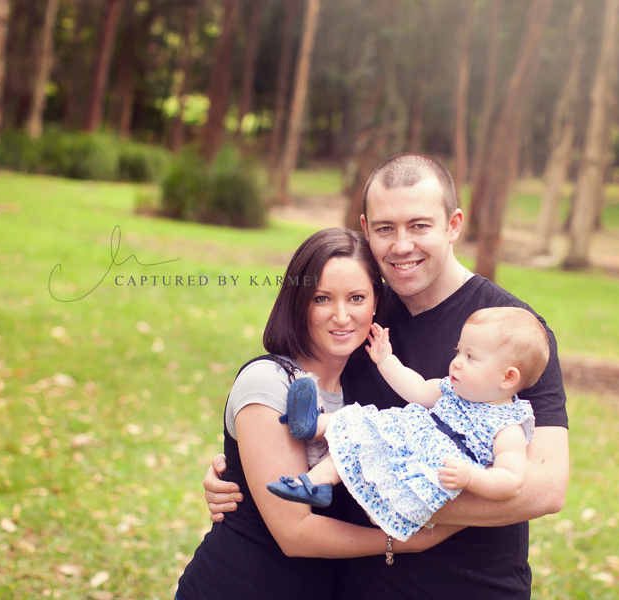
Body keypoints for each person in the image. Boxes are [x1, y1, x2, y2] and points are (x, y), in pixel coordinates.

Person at [204, 153, 569, 599]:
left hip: (469, 587)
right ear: (365, 229)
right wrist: (242, 478)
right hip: (355, 585)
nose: (401, 245)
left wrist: (402, 502)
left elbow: (545, 487)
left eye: (419, 226)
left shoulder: (510, 334)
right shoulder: (361, 313)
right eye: (384, 228)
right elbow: (292, 399)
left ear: (453, 225)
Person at [175, 227, 460, 600]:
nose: (341, 316)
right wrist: (403, 540)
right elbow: (294, 533)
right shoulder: (269, 381)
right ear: (299, 303)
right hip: (237, 585)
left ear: (376, 303)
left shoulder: (363, 389)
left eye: (356, 297)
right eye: (322, 298)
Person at [268, 308, 548, 545]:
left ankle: (317, 480)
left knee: (364, 445)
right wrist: (385, 359)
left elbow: (511, 480)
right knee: (361, 424)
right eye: (459, 351)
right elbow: (415, 389)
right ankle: (310, 433)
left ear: (508, 377)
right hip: (406, 432)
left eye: (470, 357)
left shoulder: (507, 426)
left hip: (427, 466)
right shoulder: (452, 389)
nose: (457, 363)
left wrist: (472, 478)